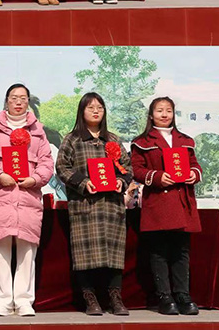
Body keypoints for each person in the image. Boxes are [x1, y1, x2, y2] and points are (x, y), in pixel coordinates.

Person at [0, 84, 54, 316]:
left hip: (28, 196)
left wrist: (35, 179)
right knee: (0, 249)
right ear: (6, 101)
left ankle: (23, 300)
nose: (18, 102)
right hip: (1, 196)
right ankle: (2, 301)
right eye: (14, 98)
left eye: (23, 98)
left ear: (28, 101)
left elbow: (47, 162)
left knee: (27, 250)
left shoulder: (38, 131)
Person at [55, 92, 131, 317]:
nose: (96, 111)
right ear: (82, 111)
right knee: (84, 253)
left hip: (112, 206)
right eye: (90, 107)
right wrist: (83, 182)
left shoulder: (113, 139)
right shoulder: (72, 139)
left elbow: (128, 167)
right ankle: (90, 298)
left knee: (114, 253)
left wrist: (121, 181)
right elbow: (62, 167)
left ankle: (115, 297)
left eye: (100, 107)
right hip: (85, 205)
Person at [130, 97, 201, 316]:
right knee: (158, 251)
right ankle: (165, 297)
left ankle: (183, 295)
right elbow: (136, 170)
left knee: (181, 251)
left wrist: (193, 174)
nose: (164, 114)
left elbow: (195, 165)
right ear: (151, 115)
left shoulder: (185, 140)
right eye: (159, 110)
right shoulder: (142, 141)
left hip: (182, 201)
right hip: (158, 201)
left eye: (168, 110)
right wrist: (157, 177)